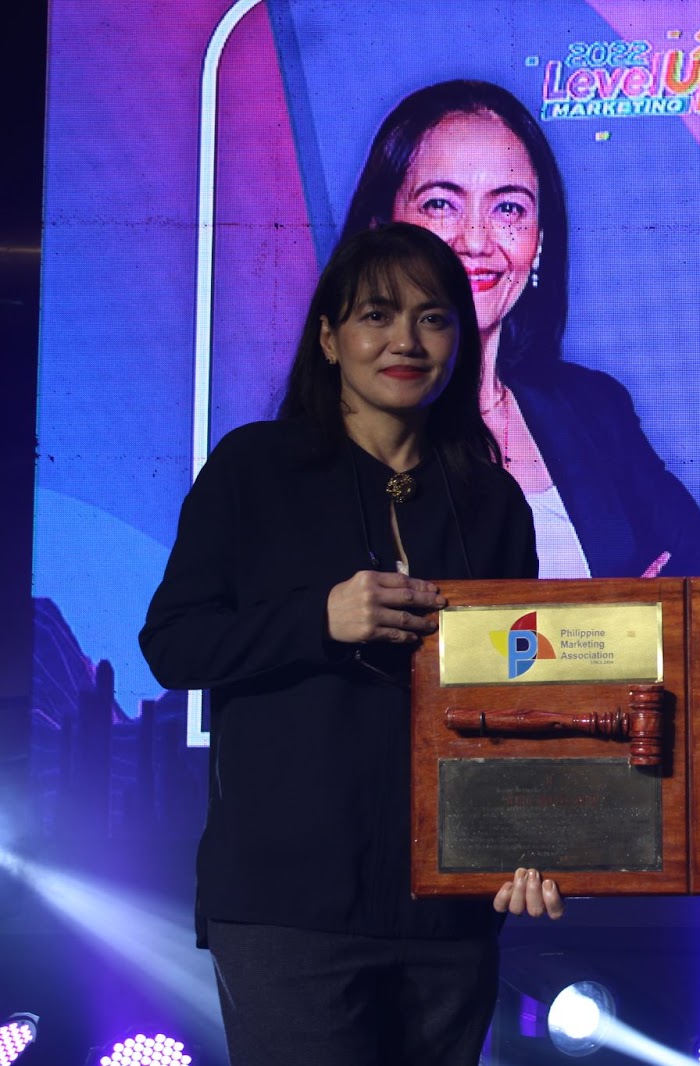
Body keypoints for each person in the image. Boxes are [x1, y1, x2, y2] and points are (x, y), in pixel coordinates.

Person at [141, 223, 562, 1066]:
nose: (406, 340)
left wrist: (536, 844)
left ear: (461, 342)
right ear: (330, 338)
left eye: (433, 318)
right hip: (288, 903)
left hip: (449, 908)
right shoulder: (253, 469)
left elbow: (518, 701)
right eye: (377, 315)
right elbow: (174, 645)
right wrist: (320, 619)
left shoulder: (493, 503)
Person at [343, 79, 700, 579]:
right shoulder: (338, 431)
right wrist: (617, 608)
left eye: (508, 208)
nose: (476, 241)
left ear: (538, 242)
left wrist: (646, 608)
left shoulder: (592, 408)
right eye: (441, 204)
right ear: (380, 228)